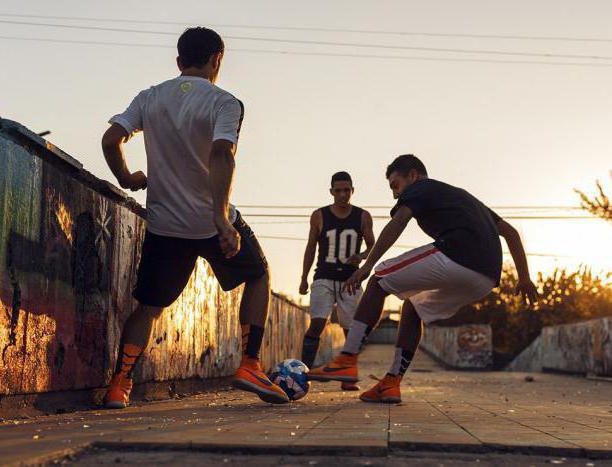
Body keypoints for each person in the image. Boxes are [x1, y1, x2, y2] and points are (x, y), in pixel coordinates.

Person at [101, 27, 289, 408]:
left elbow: (110, 140)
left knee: (149, 308)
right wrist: (221, 220)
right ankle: (250, 364)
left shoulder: (149, 97)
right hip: (209, 222)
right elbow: (222, 154)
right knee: (258, 275)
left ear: (178, 62)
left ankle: (119, 385)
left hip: (165, 226)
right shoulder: (225, 102)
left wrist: (127, 177)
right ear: (217, 59)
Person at [308, 154, 538, 403]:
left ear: (413, 175)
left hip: (458, 254)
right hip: (486, 278)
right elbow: (512, 233)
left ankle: (347, 358)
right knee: (413, 308)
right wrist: (524, 278)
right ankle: (391, 383)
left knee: (378, 279)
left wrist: (367, 264)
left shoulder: (421, 187)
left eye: (396, 186)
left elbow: (398, 223)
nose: (395, 195)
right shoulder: (462, 198)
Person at [299, 172, 374, 391]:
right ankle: (303, 373)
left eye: (347, 190)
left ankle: (347, 377)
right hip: (323, 276)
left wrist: (360, 257)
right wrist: (303, 278)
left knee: (352, 331)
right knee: (317, 323)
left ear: (353, 190)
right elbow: (311, 247)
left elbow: (373, 246)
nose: (342, 194)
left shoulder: (362, 216)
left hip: (350, 280)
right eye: (338, 190)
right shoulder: (319, 215)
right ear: (331, 191)